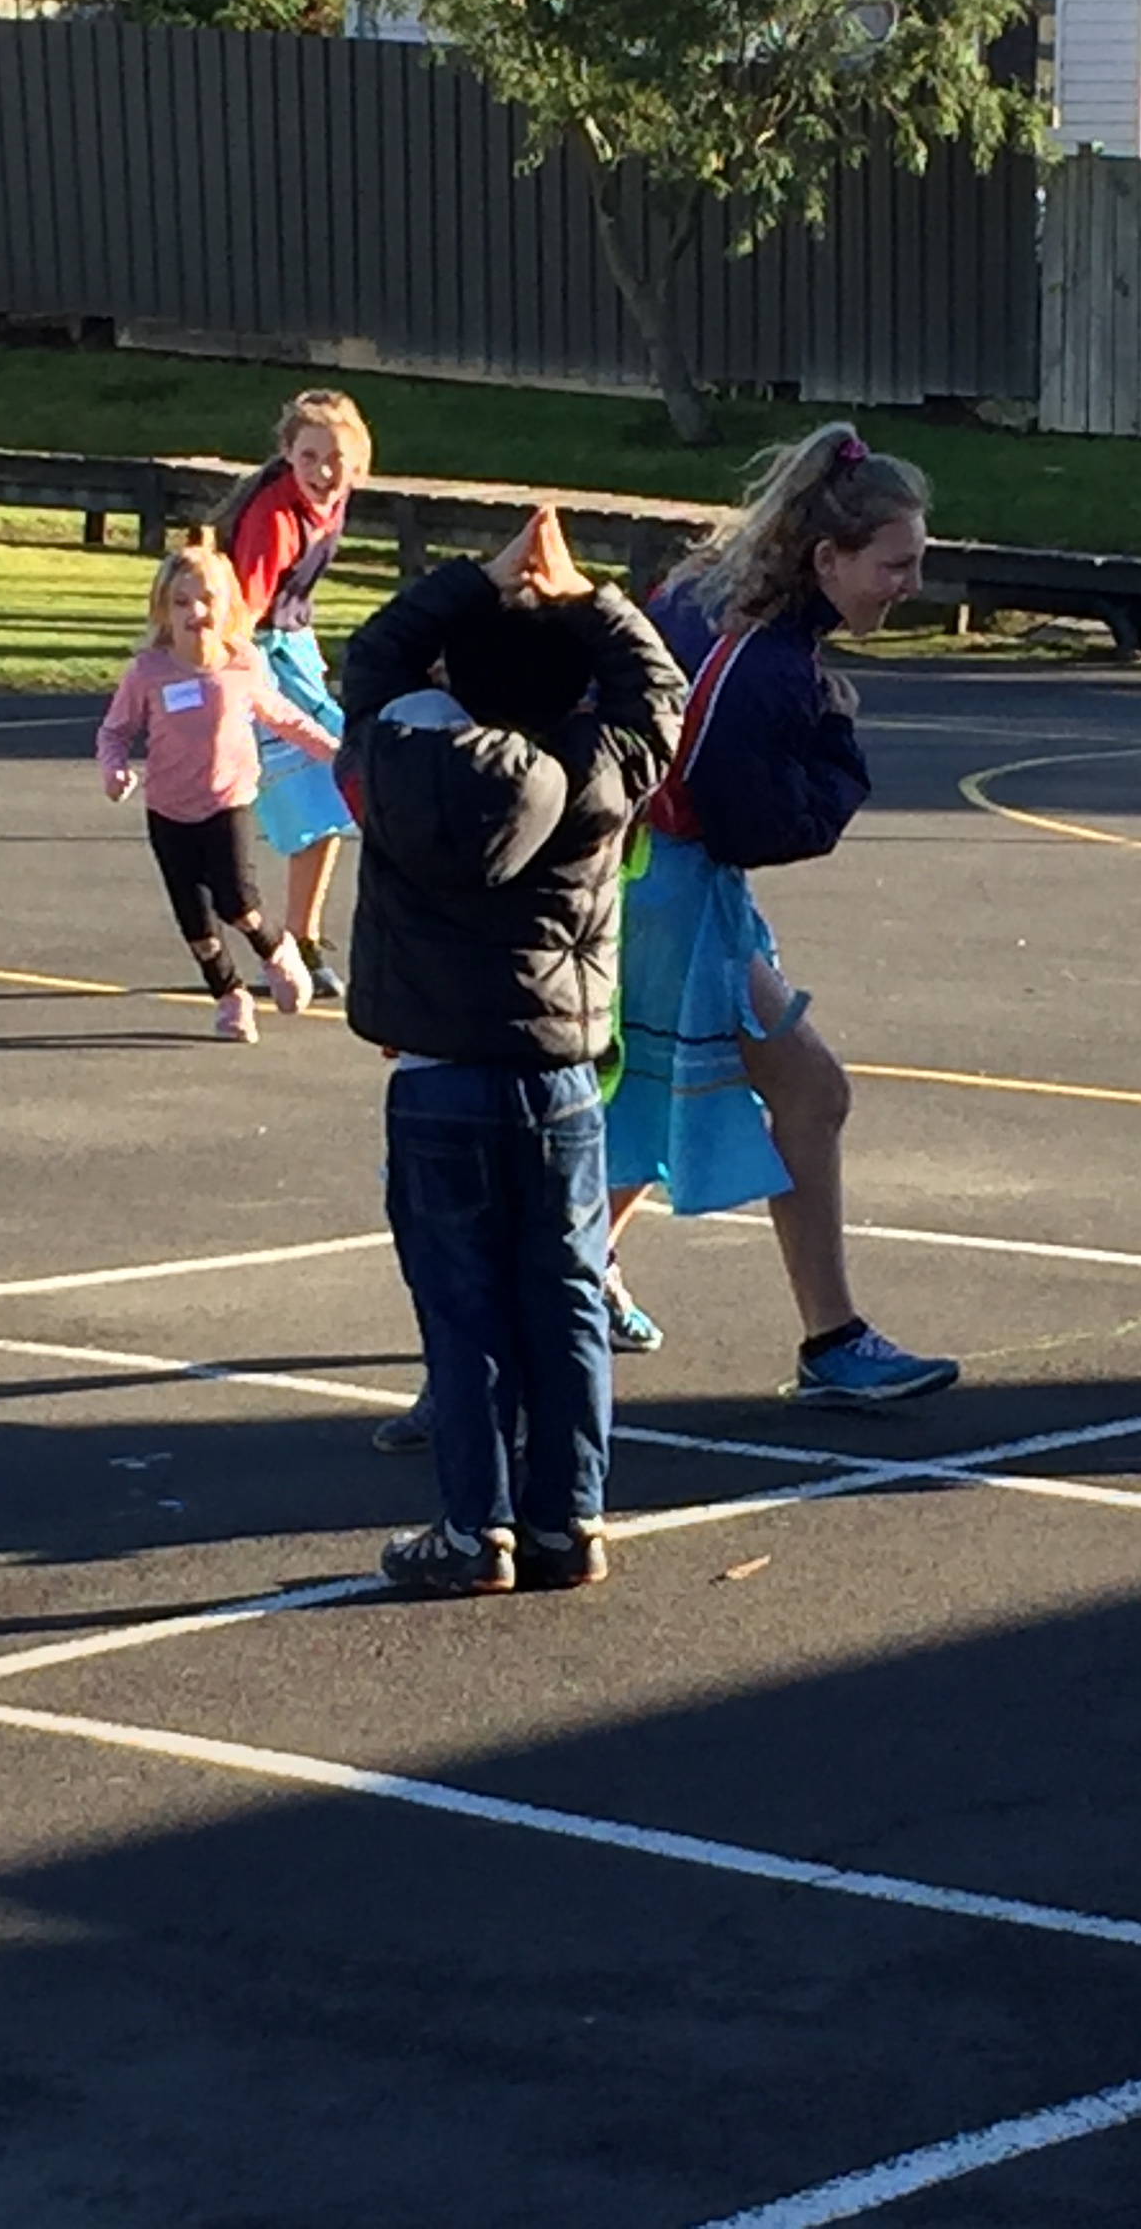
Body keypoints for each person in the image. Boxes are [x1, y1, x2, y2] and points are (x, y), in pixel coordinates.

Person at [335, 508, 687, 1595]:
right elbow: (659, 695)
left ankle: (472, 1527)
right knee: (566, 1296)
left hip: (437, 1073)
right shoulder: (599, 767)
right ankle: (570, 1519)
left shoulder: (391, 754)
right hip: (557, 1074)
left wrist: (475, 580)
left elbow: (373, 656)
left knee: (462, 1307)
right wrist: (590, 601)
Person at [601, 422, 959, 1409]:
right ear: (828, 558)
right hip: (672, 894)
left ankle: (577, 1268)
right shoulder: (767, 667)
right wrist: (836, 743)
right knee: (810, 1091)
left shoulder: (706, 592)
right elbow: (759, 825)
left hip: (636, 875)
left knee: (652, 1092)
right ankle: (831, 1341)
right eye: (895, 564)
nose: (910, 584)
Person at [96, 541, 342, 1043]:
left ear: (228, 604)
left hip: (228, 800)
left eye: (207, 600)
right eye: (181, 603)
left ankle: (277, 951)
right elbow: (115, 732)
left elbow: (283, 716)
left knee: (238, 902)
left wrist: (333, 751)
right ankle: (230, 997)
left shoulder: (243, 663)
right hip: (168, 810)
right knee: (198, 926)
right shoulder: (149, 672)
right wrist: (114, 770)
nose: (196, 613)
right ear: (163, 610)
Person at [219, 388, 371, 1001]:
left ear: (358, 464)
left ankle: (300, 937)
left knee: (333, 786)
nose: (323, 472)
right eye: (309, 457)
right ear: (287, 454)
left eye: (336, 459)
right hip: (256, 655)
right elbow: (242, 616)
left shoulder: (330, 501)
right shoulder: (274, 519)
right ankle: (283, 945)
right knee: (312, 792)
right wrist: (244, 691)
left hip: (292, 644)